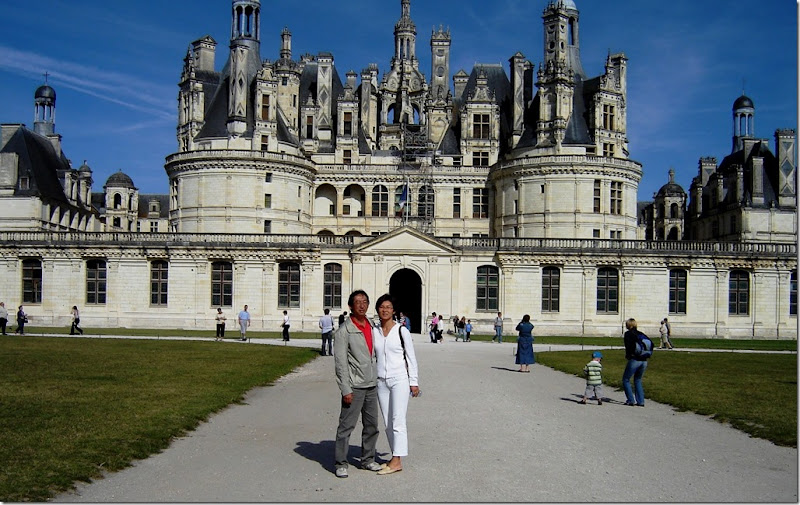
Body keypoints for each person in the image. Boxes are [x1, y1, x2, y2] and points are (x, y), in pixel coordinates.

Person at [333, 290, 382, 478]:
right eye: (357, 302)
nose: (362, 305)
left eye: (365, 302)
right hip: (354, 386)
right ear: (350, 306)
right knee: (346, 426)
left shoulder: (370, 325)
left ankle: (368, 459)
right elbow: (340, 363)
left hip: (371, 384)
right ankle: (341, 462)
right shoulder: (344, 331)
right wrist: (345, 389)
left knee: (372, 426)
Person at [372, 294, 420, 475]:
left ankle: (397, 460)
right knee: (387, 421)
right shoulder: (374, 331)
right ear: (377, 310)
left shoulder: (402, 331)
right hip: (381, 381)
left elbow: (411, 357)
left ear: (394, 311)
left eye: (388, 307)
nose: (385, 310)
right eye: (382, 307)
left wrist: (413, 382)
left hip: (399, 379)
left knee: (397, 420)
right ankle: (394, 456)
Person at [622, 318, 650, 407]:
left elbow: (628, 346)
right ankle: (641, 401)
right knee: (638, 380)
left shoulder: (628, 334)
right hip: (644, 360)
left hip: (635, 360)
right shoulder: (641, 334)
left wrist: (628, 355)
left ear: (628, 325)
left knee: (626, 379)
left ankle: (630, 400)